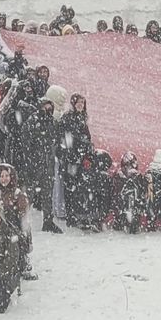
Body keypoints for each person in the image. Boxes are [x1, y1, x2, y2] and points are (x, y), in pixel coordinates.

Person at [22, 97, 62, 233]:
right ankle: (21, 221)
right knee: (29, 195)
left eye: (50, 106)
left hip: (48, 164)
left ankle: (48, 222)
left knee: (47, 194)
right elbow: (26, 144)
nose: (48, 109)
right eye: (45, 106)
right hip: (34, 165)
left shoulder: (52, 122)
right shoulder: (32, 122)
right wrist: (31, 162)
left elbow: (55, 141)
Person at [58, 94, 93, 227]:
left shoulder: (82, 118)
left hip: (80, 158)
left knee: (79, 187)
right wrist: (71, 153)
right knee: (70, 187)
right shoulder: (67, 118)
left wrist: (87, 150)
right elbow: (65, 138)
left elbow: (86, 137)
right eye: (78, 102)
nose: (81, 105)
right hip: (71, 158)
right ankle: (71, 216)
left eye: (83, 103)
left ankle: (78, 214)